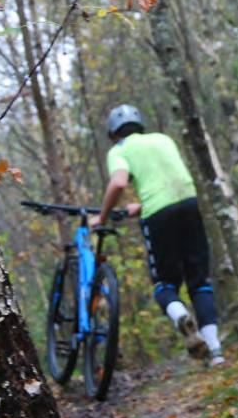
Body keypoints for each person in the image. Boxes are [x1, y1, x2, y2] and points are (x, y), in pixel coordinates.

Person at [89, 104, 225, 366]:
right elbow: (169, 178)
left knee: (164, 284)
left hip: (158, 214)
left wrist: (102, 217)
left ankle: (180, 317)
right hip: (189, 203)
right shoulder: (163, 139)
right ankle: (216, 351)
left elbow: (118, 182)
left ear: (114, 133)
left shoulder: (119, 150)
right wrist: (140, 206)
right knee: (199, 281)